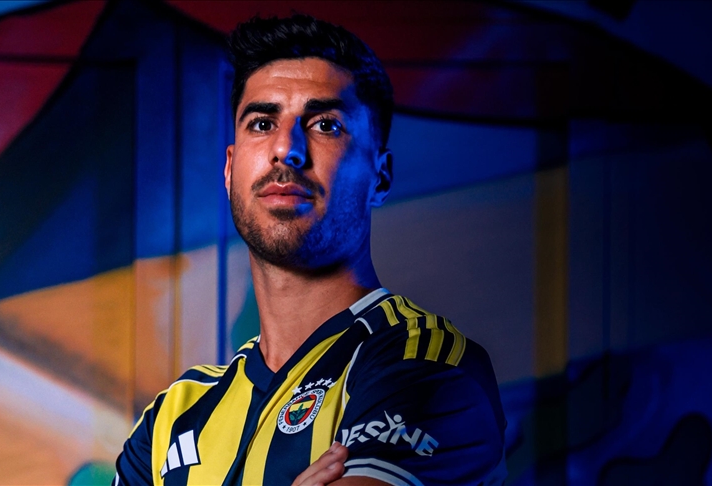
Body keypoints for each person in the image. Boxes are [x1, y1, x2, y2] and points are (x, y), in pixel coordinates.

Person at [114, 14, 506, 486]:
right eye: (262, 123)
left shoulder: (423, 363)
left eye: (325, 125)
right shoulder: (172, 418)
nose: (287, 149)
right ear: (230, 170)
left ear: (380, 177)